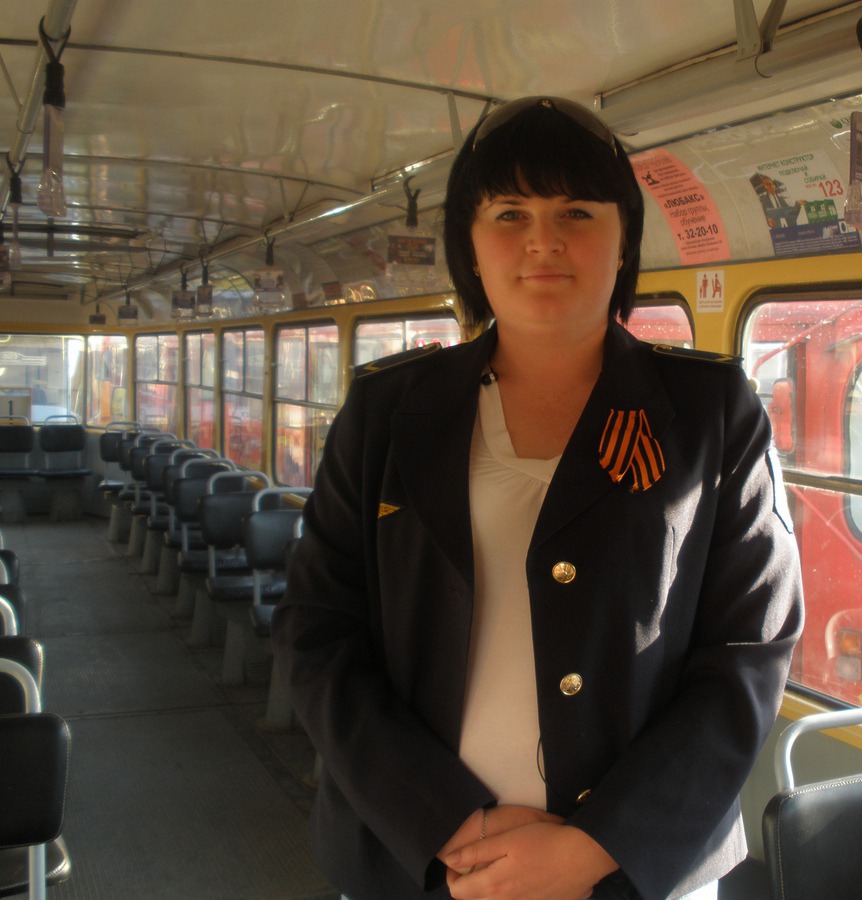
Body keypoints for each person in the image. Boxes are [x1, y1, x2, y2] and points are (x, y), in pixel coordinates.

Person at [271, 95, 804, 900]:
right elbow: (317, 632)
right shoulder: (387, 412)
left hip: (634, 871)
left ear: (624, 240)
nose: (543, 240)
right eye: (510, 213)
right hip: (421, 862)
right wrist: (446, 826)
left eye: (577, 212)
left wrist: (596, 846)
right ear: (470, 244)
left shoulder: (711, 413)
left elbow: (748, 650)